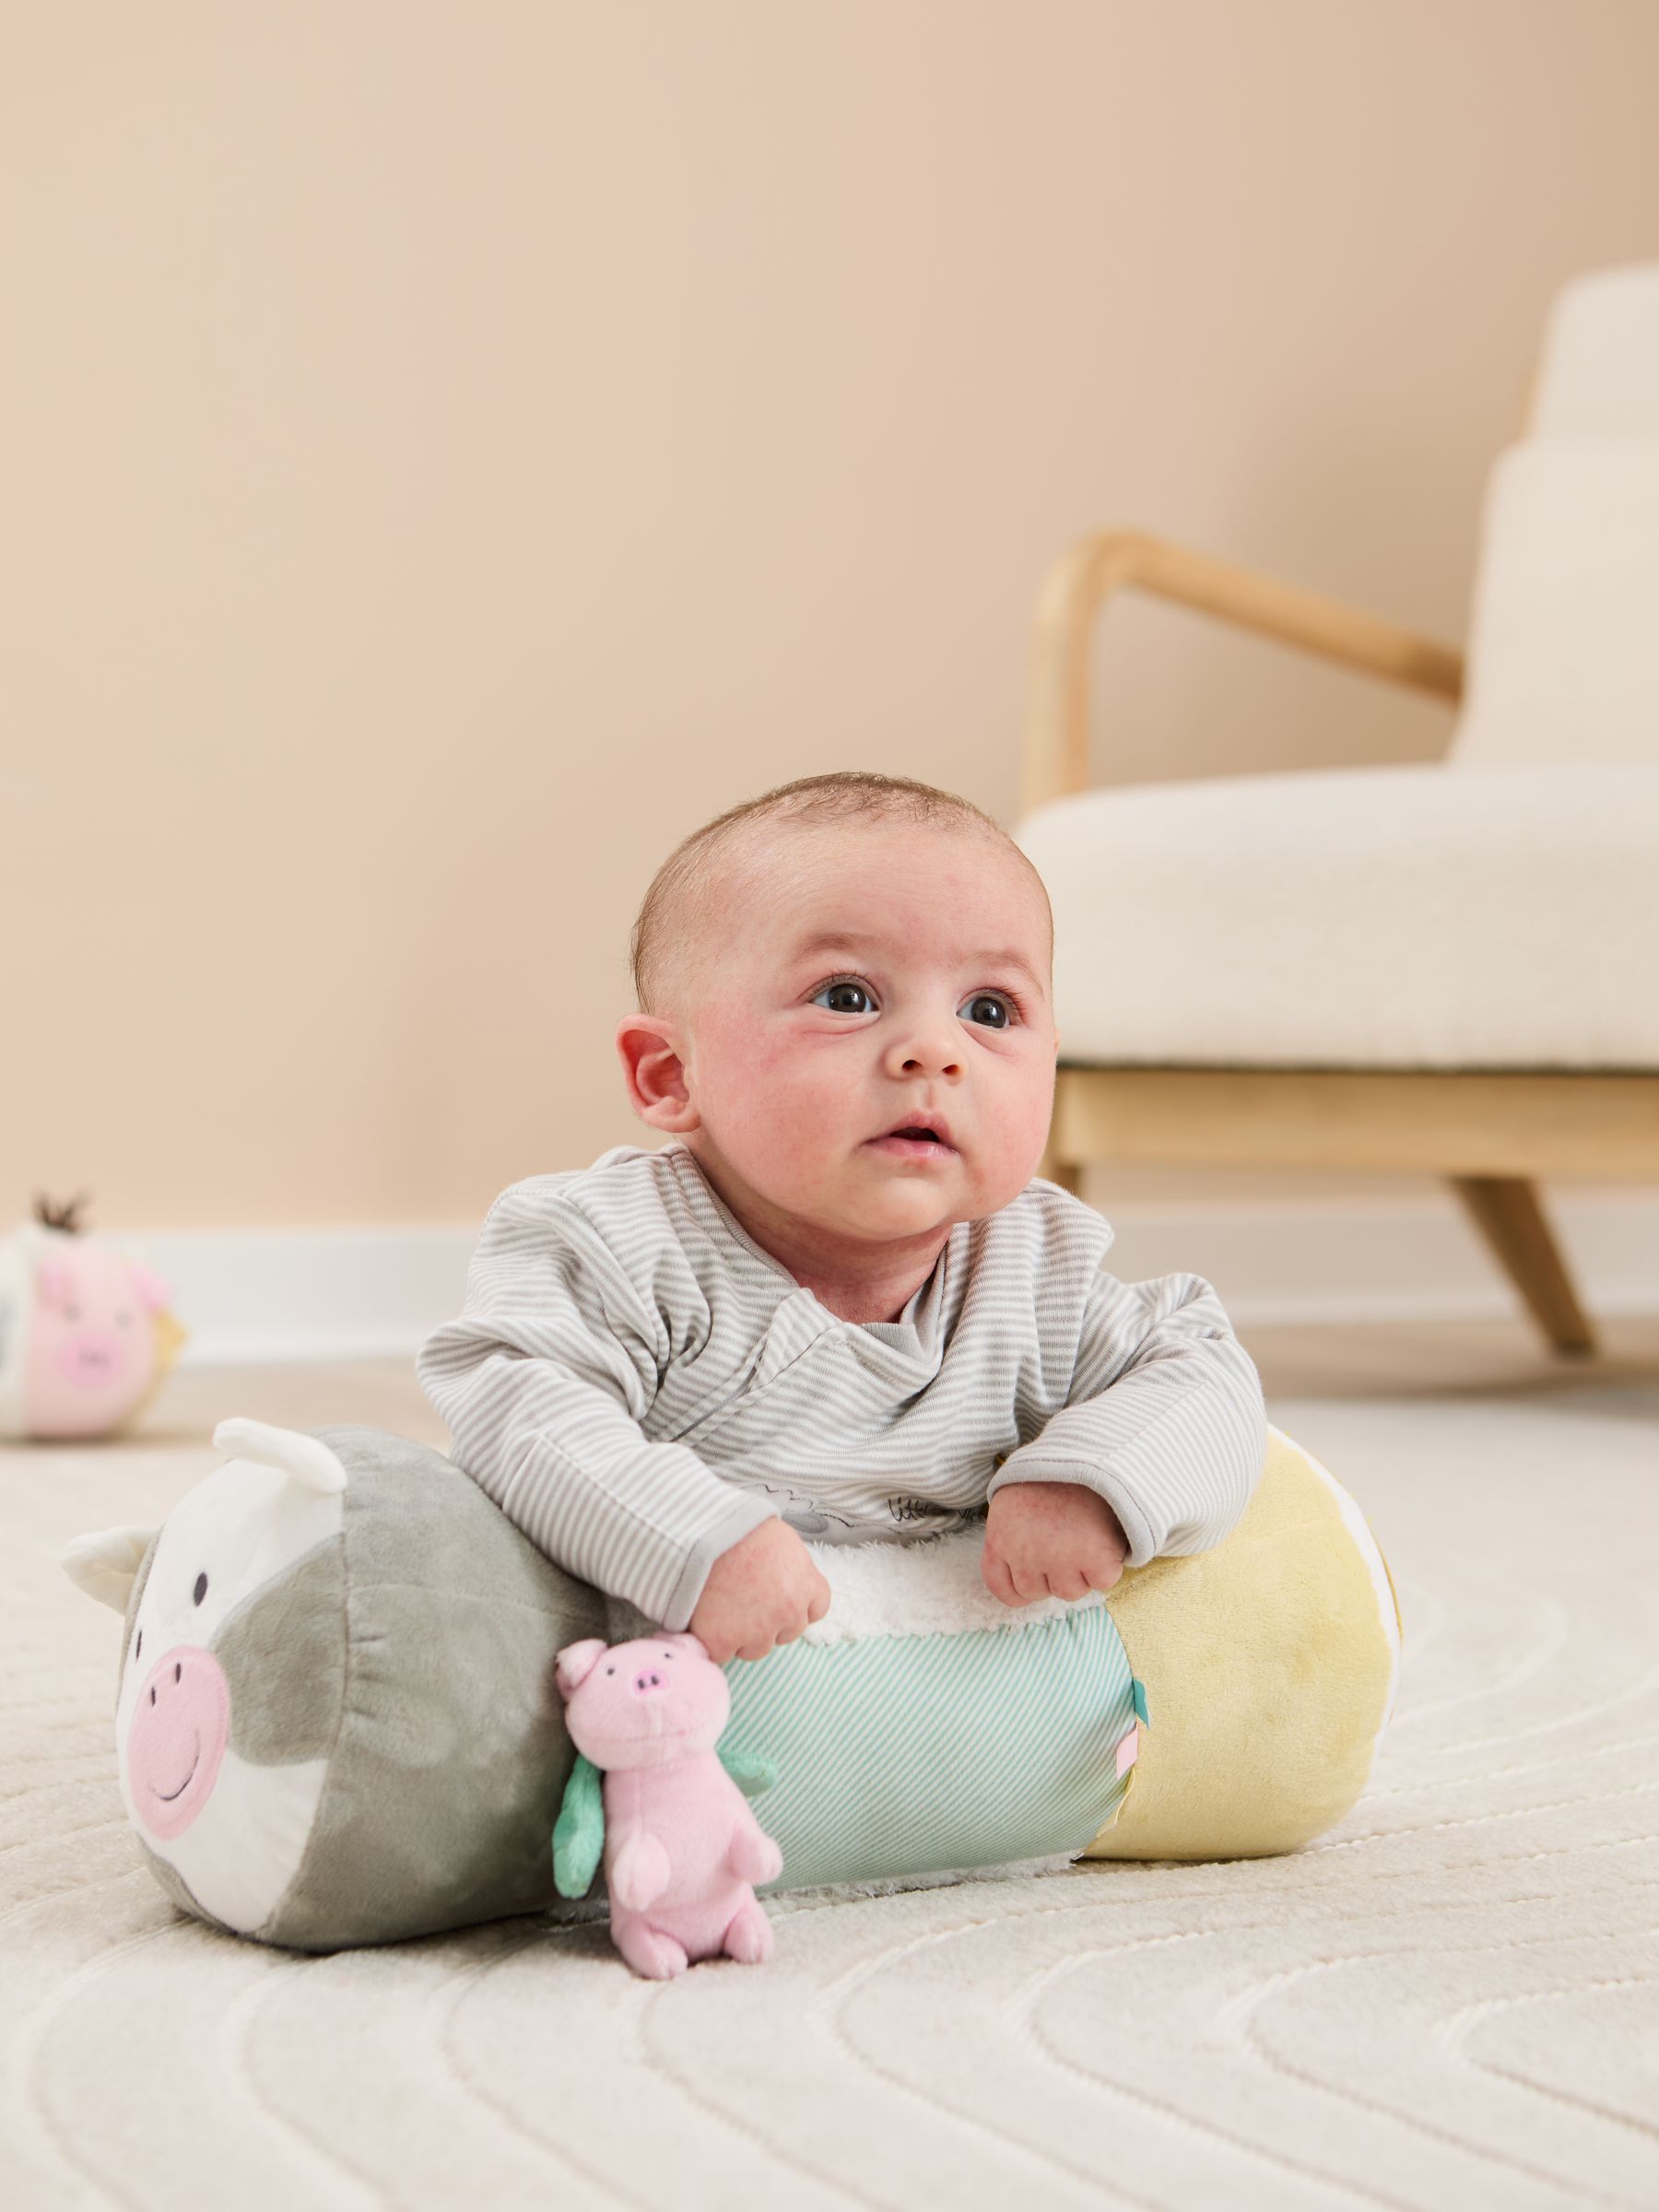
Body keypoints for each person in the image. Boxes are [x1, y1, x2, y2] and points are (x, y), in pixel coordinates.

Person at [417, 771, 1267, 1664]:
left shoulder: (1036, 1272)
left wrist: (1091, 1482)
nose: (933, 1053)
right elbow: (516, 1404)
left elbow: (1204, 1376)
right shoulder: (617, 1245)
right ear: (671, 1075)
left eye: (990, 1011)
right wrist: (696, 1541)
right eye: (847, 998)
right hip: (657, 1681)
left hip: (932, 1690)